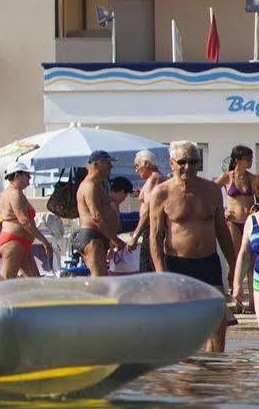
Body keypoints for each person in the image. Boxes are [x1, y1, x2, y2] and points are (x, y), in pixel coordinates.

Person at [142, 140, 238, 353]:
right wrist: (161, 274)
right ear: (172, 163)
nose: (188, 166)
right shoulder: (161, 193)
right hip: (177, 265)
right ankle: (182, 377)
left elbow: (222, 231)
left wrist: (233, 265)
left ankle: (212, 372)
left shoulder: (212, 190)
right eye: (183, 162)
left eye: (194, 161)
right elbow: (155, 237)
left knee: (217, 322)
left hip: (208, 263)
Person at [74, 150, 120, 276]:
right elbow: (96, 217)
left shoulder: (97, 185)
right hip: (92, 236)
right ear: (96, 164)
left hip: (97, 236)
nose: (111, 167)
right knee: (99, 279)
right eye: (107, 163)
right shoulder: (89, 186)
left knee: (102, 277)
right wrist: (115, 239)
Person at [221, 145, 256, 311]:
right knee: (235, 261)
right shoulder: (227, 178)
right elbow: (210, 193)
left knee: (251, 263)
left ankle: (252, 302)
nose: (251, 161)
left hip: (249, 223)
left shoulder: (253, 179)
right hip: (234, 223)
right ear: (237, 160)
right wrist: (222, 211)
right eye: (248, 158)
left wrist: (256, 207)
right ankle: (237, 300)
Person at [0, 166, 43, 279]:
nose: (30, 179)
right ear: (17, 175)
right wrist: (44, 241)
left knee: (35, 281)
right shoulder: (15, 193)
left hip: (18, 241)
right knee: (6, 280)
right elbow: (24, 221)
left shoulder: (10, 193)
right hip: (14, 242)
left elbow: (0, 218)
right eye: (27, 175)